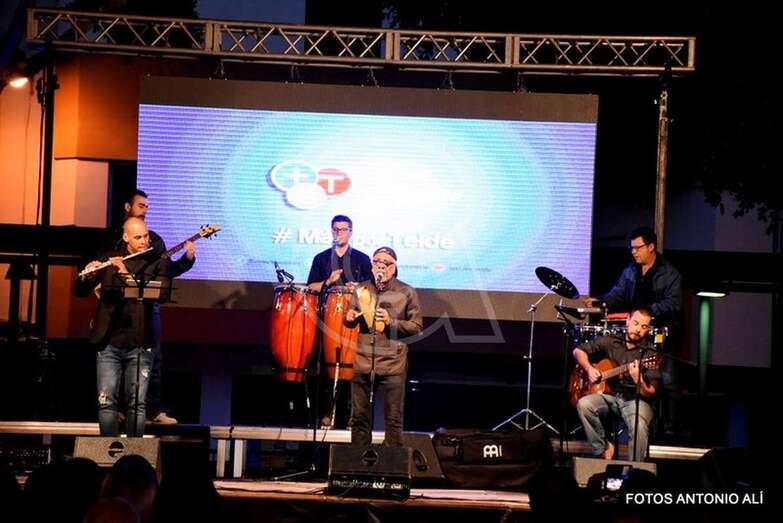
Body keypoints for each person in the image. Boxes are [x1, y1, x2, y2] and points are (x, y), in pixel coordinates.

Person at [92, 189, 196, 425]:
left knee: (152, 359)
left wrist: (186, 260)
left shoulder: (155, 241)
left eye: (147, 206)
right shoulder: (110, 241)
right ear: (127, 207)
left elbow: (166, 272)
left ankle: (152, 410)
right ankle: (115, 411)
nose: (145, 210)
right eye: (141, 205)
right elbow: (96, 274)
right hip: (115, 310)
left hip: (145, 308)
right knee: (110, 366)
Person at [75, 217, 171, 437]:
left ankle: (134, 451)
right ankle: (108, 448)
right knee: (106, 401)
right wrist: (88, 276)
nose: (144, 241)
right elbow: (79, 291)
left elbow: (162, 294)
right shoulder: (109, 258)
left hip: (140, 341)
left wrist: (125, 273)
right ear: (126, 238)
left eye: (146, 236)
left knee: (137, 404)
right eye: (138, 237)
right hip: (109, 342)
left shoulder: (157, 262)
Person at [584, 226, 683, 437]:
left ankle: (669, 429)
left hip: (659, 332)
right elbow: (617, 294)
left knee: (667, 380)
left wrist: (647, 313)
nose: (634, 252)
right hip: (635, 332)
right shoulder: (631, 270)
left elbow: (673, 304)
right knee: (624, 371)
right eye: (632, 248)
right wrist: (601, 301)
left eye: (638, 248)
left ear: (651, 247)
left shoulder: (670, 273)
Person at [345, 246, 422, 446]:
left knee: (393, 420)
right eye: (377, 262)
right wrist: (349, 318)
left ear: (394, 268)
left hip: (392, 364)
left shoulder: (407, 292)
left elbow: (416, 327)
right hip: (363, 361)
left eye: (386, 263)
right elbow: (350, 319)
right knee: (359, 418)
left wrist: (390, 321)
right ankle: (359, 461)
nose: (381, 266)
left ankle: (391, 463)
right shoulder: (361, 290)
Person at [306, 215, 372, 428]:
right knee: (326, 363)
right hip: (328, 319)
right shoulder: (321, 258)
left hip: (355, 319)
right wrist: (328, 281)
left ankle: (351, 415)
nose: (339, 233)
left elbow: (372, 289)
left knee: (353, 366)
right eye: (336, 229)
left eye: (343, 229)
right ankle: (327, 412)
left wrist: (358, 288)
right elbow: (311, 287)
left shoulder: (362, 259)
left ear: (350, 232)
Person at [573, 308, 661, 461]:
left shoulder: (650, 354)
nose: (638, 330)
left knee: (639, 425)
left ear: (648, 329)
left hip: (636, 400)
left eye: (644, 327)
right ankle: (603, 448)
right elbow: (578, 351)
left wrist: (638, 380)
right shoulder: (611, 341)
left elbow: (652, 391)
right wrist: (589, 369)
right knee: (584, 404)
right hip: (611, 396)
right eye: (635, 323)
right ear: (627, 321)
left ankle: (636, 469)